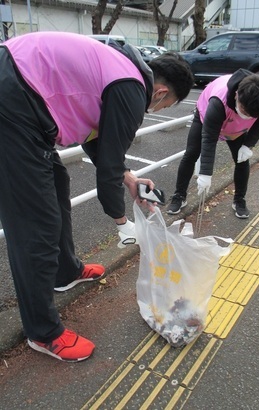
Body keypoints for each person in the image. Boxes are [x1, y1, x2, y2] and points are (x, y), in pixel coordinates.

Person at [0, 31, 194, 362]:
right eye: (166, 105)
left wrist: (129, 178)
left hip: (18, 92)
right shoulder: (132, 90)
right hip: (12, 102)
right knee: (37, 225)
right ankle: (43, 333)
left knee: (57, 182)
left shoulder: (124, 70)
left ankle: (65, 272)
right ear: (161, 92)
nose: (158, 108)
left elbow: (99, 138)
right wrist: (123, 223)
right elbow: (106, 169)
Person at [167, 68, 259, 218]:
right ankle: (179, 195)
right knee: (191, 153)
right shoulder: (218, 100)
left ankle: (239, 200)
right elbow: (209, 138)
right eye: (245, 110)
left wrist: (249, 144)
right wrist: (205, 173)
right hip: (208, 117)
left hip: (236, 129)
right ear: (237, 95)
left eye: (251, 115)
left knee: (242, 159)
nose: (247, 116)